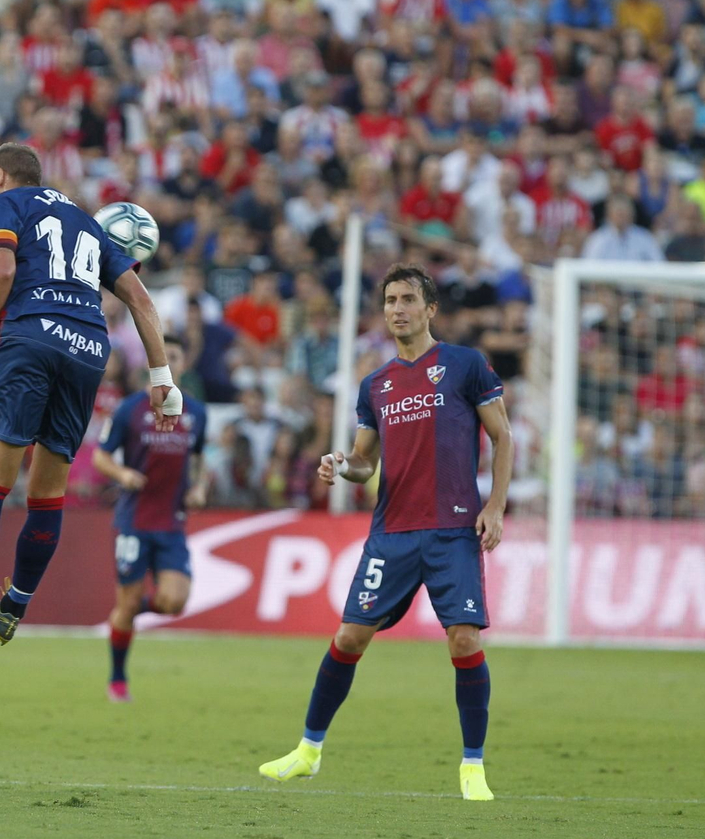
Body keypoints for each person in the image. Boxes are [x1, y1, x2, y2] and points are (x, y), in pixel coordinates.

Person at [258, 263, 513, 802]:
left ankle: (472, 765)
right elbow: (363, 463)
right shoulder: (375, 385)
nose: (398, 309)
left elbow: (503, 437)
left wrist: (495, 505)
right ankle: (307, 751)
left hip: (452, 530)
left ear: (430, 309)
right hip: (392, 533)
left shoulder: (465, 365)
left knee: (464, 638)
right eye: (391, 300)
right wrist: (340, 465)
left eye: (408, 299)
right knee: (349, 637)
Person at [0, 143, 179, 643]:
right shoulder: (87, 221)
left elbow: (1, 272)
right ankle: (13, 607)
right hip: (89, 350)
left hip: (32, 338)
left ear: (0, 176)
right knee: (47, 492)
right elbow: (139, 298)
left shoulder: (5, 204)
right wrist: (162, 377)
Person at [92, 337, 208, 701]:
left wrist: (199, 487)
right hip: (134, 521)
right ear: (151, 364)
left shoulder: (196, 412)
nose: (169, 362)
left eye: (175, 356)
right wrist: (123, 474)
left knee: (175, 601)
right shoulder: (129, 409)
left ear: (184, 363)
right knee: (128, 603)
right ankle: (117, 678)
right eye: (163, 357)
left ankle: (126, 611)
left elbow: (199, 458)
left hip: (172, 522)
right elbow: (100, 457)